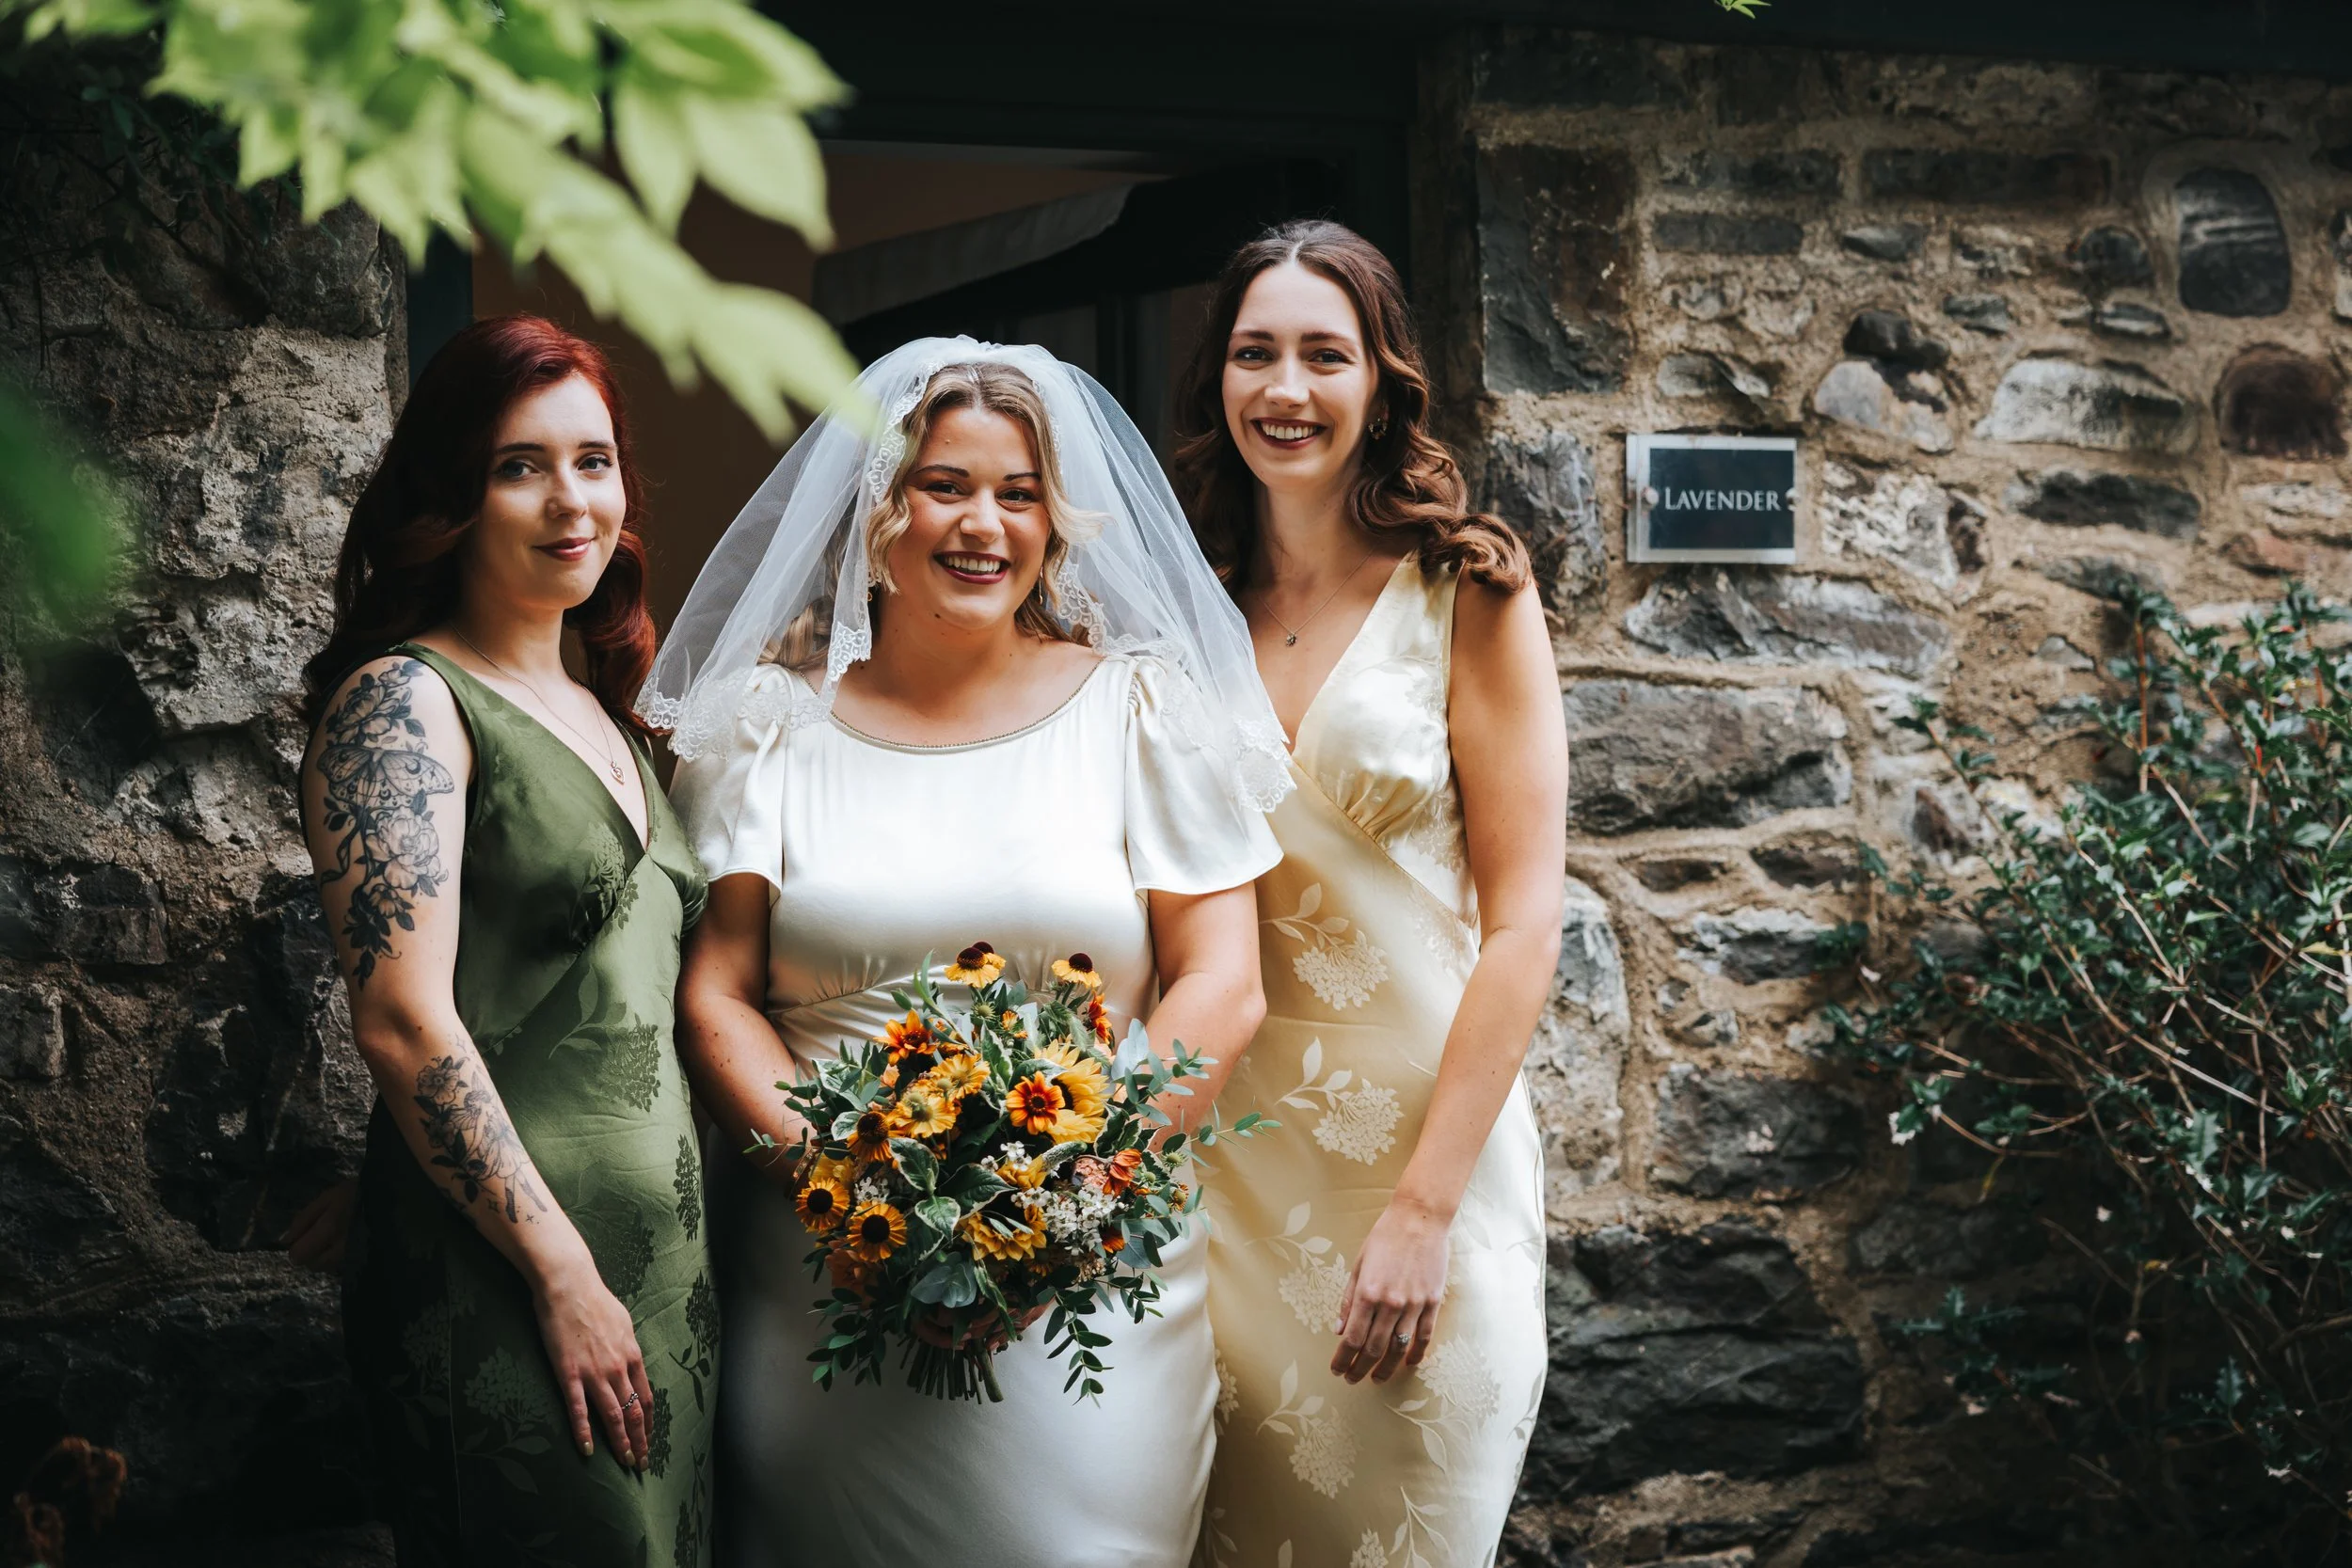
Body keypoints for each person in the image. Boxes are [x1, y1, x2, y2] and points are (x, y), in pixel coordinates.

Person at [649, 342, 1285, 1568]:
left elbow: (1222, 978)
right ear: (878, 509)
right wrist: (841, 1187)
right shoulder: (765, 730)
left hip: (1091, 1270)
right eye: (944, 485)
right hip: (827, 1264)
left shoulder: (1143, 712)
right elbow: (717, 993)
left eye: (1019, 491)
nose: (983, 523)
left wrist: (1073, 1192)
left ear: (1059, 520)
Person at [1170, 220, 1568, 1567]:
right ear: (1220, 381)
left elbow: (1524, 925)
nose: (1285, 389)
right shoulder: (1175, 608)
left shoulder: (1470, 588)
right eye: (1254, 353)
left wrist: (1424, 1208)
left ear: (1382, 379)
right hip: (1221, 1186)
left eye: (1323, 355)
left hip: (1425, 1168)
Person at [297, 315, 717, 1564]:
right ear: (451, 494)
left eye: (593, 459)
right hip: (518, 1279)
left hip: (668, 1281)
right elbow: (402, 1015)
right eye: (518, 465)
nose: (568, 498)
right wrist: (559, 1272)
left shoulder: (612, 716)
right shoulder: (405, 702)